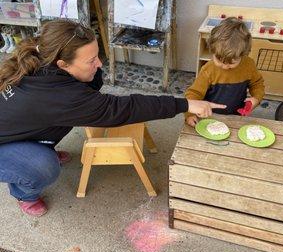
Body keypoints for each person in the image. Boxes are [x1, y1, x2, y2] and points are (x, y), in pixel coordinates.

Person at [0, 19, 225, 217]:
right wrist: (185, 104)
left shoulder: (45, 57)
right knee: (43, 166)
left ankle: (37, 146)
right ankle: (24, 193)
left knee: (57, 124)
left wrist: (90, 69)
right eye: (91, 61)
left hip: (13, 129)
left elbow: (91, 91)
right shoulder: (56, 96)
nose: (99, 64)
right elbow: (120, 109)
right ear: (63, 64)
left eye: (98, 55)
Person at [185, 17, 265, 127]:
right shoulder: (208, 69)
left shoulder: (249, 65)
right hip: (208, 115)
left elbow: (257, 84)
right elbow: (193, 93)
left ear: (244, 54)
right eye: (219, 60)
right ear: (212, 51)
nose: (225, 66)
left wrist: (256, 98)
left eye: (231, 63)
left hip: (237, 115)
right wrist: (190, 114)